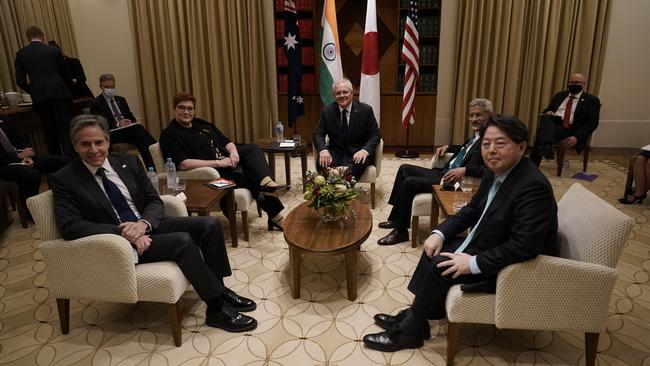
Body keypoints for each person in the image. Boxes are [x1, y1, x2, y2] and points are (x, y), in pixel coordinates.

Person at [363, 115, 558, 352]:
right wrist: (439, 232)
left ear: (521, 147)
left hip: (514, 269)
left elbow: (523, 247)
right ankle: (417, 316)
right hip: (490, 241)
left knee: (440, 266)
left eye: (500, 143)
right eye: (486, 144)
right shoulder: (494, 171)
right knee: (432, 247)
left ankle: (410, 331)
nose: (491, 151)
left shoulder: (532, 187)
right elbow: (472, 210)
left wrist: (474, 263)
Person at [50, 115, 258, 332]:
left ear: (108, 142)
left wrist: (143, 224)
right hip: (118, 244)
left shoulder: (127, 162)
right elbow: (70, 226)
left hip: (145, 226)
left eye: (98, 142)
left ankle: (220, 290)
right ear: (75, 146)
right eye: (85, 144)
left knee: (209, 225)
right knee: (183, 241)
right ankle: (216, 309)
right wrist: (124, 233)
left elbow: (153, 200)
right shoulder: (65, 179)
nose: (93, 150)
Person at [159, 92, 288, 230]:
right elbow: (183, 164)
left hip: (228, 161)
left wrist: (233, 152)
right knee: (251, 175)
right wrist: (219, 163)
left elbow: (226, 141)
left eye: (190, 108)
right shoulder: (169, 134)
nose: (186, 112)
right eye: (181, 108)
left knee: (252, 148)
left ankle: (267, 182)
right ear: (174, 109)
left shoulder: (201, 123)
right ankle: (276, 216)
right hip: (214, 173)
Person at [377, 98, 490, 246]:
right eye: (471, 115)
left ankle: (401, 231)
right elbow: (467, 152)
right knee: (404, 168)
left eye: (478, 115)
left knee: (410, 183)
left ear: (488, 115)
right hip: (444, 172)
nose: (474, 119)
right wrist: (447, 147)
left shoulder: (489, 138)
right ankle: (396, 218)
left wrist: (466, 169)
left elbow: (490, 169)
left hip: (455, 182)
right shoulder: (476, 135)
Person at [14, 26, 74, 156]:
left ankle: (57, 162)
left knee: (49, 130)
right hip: (60, 93)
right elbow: (65, 74)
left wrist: (33, 90)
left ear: (28, 37)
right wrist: (68, 90)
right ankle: (71, 161)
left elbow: (20, 81)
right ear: (43, 35)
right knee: (65, 129)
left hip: (40, 97)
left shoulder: (21, 54)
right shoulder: (53, 50)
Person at [313, 78, 381, 181]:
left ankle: (344, 190)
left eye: (345, 92)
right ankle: (332, 190)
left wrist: (365, 150)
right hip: (336, 151)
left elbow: (375, 135)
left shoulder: (365, 110)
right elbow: (317, 133)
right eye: (338, 93)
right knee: (321, 162)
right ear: (334, 96)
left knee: (360, 162)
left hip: (358, 151)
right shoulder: (327, 111)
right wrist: (323, 150)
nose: (342, 96)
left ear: (352, 93)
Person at [0, 116, 69, 215]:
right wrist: (18, 156)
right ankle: (30, 211)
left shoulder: (5, 119)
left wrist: (26, 154)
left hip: (23, 157)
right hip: (4, 165)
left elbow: (21, 138)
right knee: (31, 174)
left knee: (63, 161)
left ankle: (63, 200)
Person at [530, 73, 601, 166]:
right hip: (554, 123)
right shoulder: (560, 95)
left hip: (571, 128)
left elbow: (593, 122)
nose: (574, 84)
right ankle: (547, 146)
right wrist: (549, 112)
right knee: (546, 117)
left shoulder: (591, 100)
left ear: (584, 84)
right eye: (572, 82)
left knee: (541, 133)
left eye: (577, 82)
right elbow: (548, 109)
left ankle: (534, 163)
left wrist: (576, 137)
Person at [89, 73, 157, 169]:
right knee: (138, 130)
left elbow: (131, 117)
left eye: (112, 86)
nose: (110, 89)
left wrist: (129, 121)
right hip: (112, 133)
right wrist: (117, 124)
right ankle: (157, 151)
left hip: (128, 130)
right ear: (101, 86)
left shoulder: (121, 100)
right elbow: (100, 124)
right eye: (107, 87)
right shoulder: (96, 103)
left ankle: (151, 167)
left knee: (140, 138)